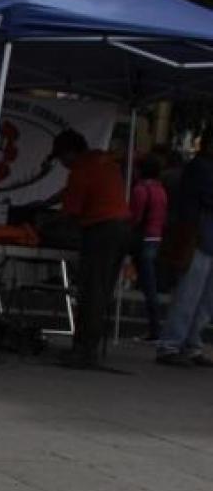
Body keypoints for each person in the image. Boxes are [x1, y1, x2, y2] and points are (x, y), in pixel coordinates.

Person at [50, 128, 131, 368]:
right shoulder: (102, 160)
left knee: (92, 291)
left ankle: (85, 350)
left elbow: (71, 211)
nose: (62, 164)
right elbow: (72, 195)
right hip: (121, 228)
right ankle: (89, 347)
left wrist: (48, 221)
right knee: (102, 290)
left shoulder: (80, 170)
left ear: (70, 153)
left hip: (102, 231)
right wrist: (47, 202)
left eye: (62, 158)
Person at [155, 129, 213, 368]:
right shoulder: (199, 167)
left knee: (205, 298)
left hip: (206, 238)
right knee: (189, 294)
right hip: (197, 237)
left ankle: (191, 343)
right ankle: (171, 344)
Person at [129, 154, 168, 343]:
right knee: (150, 285)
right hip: (156, 236)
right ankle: (155, 327)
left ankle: (155, 329)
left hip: (142, 237)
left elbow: (134, 217)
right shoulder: (160, 190)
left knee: (147, 285)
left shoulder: (140, 190)